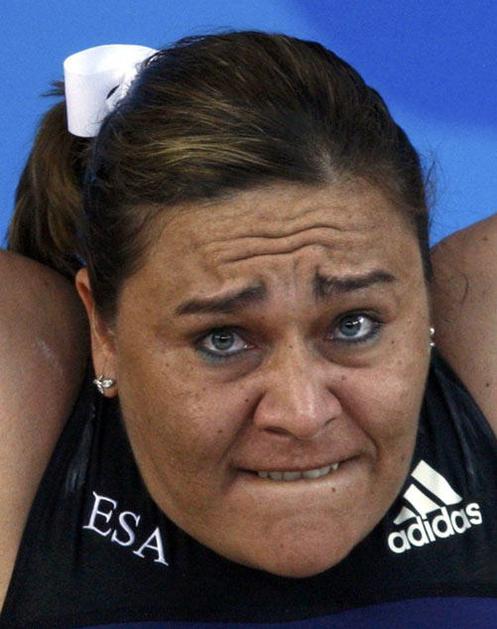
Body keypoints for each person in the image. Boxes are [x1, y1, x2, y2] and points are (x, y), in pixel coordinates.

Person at [1, 31, 497, 627]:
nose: (302, 414)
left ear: (426, 301)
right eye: (223, 339)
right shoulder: (21, 392)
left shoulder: (479, 333)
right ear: (103, 331)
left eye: (354, 324)